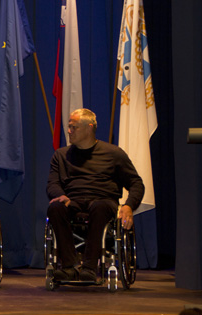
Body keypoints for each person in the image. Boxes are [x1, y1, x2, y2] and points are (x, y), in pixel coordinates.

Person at [46, 108, 145, 282]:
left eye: (74, 127)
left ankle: (90, 268)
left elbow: (136, 183)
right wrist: (61, 195)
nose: (69, 131)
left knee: (100, 207)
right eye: (69, 127)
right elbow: (52, 184)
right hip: (73, 200)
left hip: (103, 200)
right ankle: (70, 266)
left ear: (89, 128)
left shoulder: (114, 154)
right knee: (55, 207)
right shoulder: (61, 155)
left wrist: (129, 205)